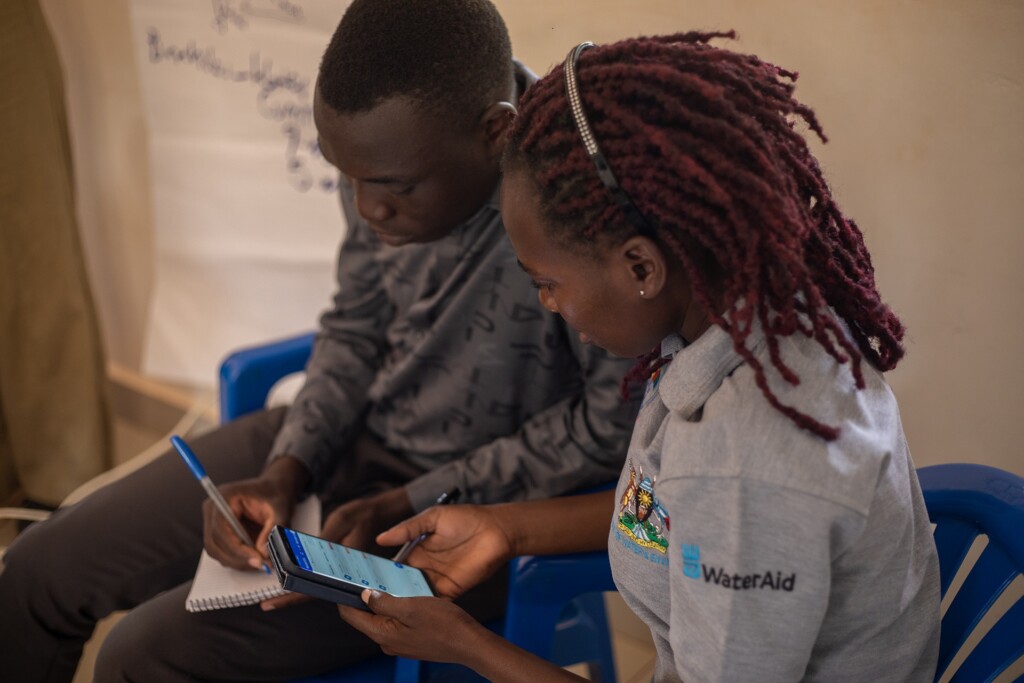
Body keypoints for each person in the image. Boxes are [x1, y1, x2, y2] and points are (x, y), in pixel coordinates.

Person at [0, 2, 639, 681]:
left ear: (494, 132)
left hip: (474, 525)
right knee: (36, 573)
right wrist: (290, 465)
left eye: (391, 187)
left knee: (139, 655)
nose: (367, 209)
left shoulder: (577, 204)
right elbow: (355, 327)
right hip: (348, 446)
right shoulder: (388, 153)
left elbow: (605, 428)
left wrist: (411, 498)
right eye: (347, 176)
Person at [338, 33, 942, 682]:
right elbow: (685, 511)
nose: (545, 304)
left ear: (639, 267)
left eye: (546, 281)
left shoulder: (751, 457)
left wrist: (467, 645)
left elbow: (727, 502)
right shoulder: (741, 329)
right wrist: (505, 530)